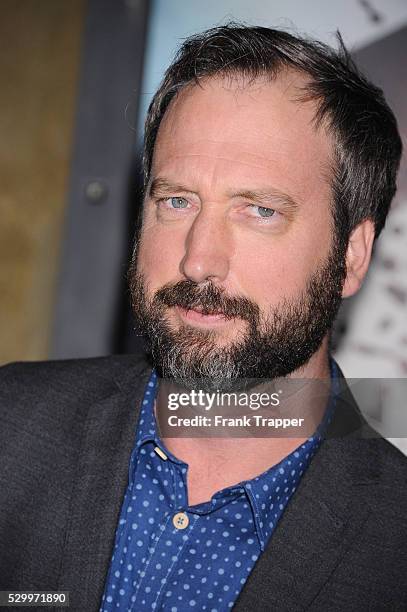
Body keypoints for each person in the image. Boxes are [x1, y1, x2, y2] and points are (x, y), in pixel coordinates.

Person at [1, 24, 406, 612]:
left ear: (352, 255)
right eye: (176, 201)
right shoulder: (12, 430)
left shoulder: (392, 546)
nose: (198, 260)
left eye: (260, 210)